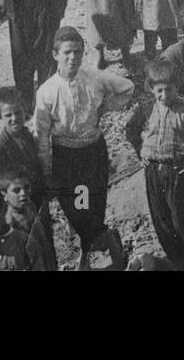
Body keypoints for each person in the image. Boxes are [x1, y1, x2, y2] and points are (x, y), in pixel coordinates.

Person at [33, 27, 133, 270]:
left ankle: (98, 256)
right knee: (76, 211)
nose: (73, 58)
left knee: (94, 207)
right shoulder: (47, 91)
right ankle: (103, 244)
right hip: (66, 157)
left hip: (93, 152)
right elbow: (41, 136)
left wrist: (104, 107)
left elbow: (127, 87)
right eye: (67, 52)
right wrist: (47, 172)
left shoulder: (94, 77)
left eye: (78, 52)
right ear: (55, 55)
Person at [124, 59, 184, 271]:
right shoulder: (146, 108)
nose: (164, 96)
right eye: (159, 91)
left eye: (169, 90)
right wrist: (140, 150)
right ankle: (178, 260)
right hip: (153, 172)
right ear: (151, 88)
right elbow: (131, 129)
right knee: (163, 222)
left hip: (179, 171)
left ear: (177, 87)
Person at [0, 98, 45, 202]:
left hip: (36, 196)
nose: (14, 118)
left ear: (24, 111)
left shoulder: (28, 135)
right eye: (8, 115)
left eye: (18, 112)